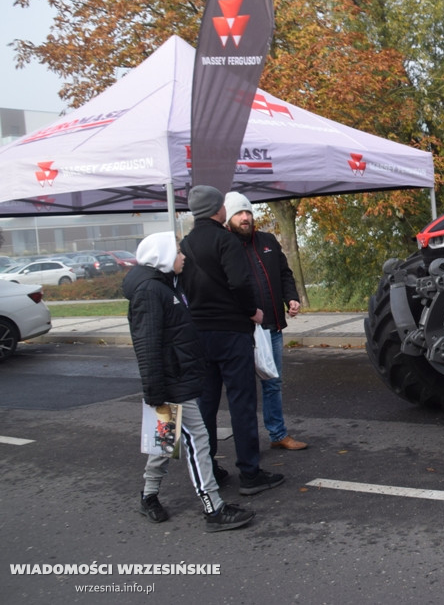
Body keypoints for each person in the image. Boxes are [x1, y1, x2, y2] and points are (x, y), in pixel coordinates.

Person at [123, 231, 254, 532]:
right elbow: (148, 345)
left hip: (174, 380)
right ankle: (213, 507)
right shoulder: (150, 291)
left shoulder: (163, 286)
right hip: (169, 384)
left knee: (164, 444)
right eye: (179, 252)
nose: (183, 257)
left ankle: (148, 496)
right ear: (164, 256)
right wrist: (156, 392)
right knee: (198, 440)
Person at [178, 185, 284, 496]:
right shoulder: (225, 240)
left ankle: (209, 467)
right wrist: (252, 310)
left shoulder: (186, 242)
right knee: (241, 402)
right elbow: (239, 281)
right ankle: (250, 473)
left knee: (206, 403)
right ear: (217, 209)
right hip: (231, 331)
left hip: (199, 333)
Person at [223, 191, 308, 451]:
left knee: (273, 383)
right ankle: (247, 444)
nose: (245, 217)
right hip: (242, 331)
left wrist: (291, 298)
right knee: (245, 388)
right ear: (228, 218)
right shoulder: (225, 245)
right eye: (239, 213)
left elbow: (284, 273)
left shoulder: (267, 240)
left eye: (248, 212)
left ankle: (277, 434)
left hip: (272, 327)